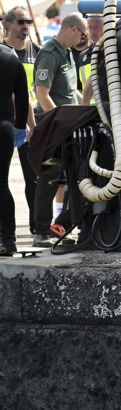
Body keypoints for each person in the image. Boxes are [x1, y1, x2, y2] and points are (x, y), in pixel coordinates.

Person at [31, 12, 86, 246]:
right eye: (82, 35)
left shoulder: (68, 53)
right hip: (55, 124)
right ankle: (41, 231)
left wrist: (88, 107)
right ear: (73, 29)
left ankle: (64, 225)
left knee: (72, 176)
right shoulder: (50, 54)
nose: (83, 40)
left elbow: (71, 93)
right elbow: (42, 94)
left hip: (69, 123)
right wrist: (58, 124)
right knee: (50, 175)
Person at [2, 7, 39, 236]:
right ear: (8, 25)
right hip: (11, 121)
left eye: (28, 22)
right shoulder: (5, 52)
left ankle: (36, 226)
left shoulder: (37, 51)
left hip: (30, 121)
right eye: (21, 21)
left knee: (32, 178)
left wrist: (33, 125)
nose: (26, 26)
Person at [0, 50, 30, 256]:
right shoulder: (11, 59)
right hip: (5, 128)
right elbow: (22, 96)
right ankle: (8, 241)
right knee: (2, 184)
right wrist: (20, 126)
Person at [80, 15, 104, 105]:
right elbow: (78, 88)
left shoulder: (114, 54)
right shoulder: (83, 57)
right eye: (90, 27)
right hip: (88, 109)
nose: (93, 32)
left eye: (96, 27)